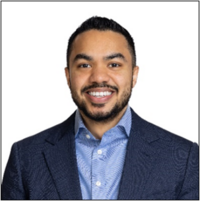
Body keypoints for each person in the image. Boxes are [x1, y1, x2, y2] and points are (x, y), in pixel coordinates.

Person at [1, 16, 199, 200]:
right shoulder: (25, 157)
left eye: (113, 64)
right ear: (68, 76)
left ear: (134, 75)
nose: (99, 77)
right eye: (85, 65)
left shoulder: (183, 158)